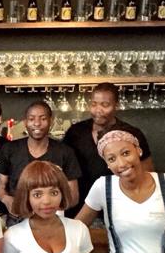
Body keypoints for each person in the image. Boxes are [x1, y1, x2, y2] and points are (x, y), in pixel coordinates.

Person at [62, 83, 152, 213]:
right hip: (80, 207)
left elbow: (147, 172)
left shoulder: (130, 133)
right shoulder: (76, 132)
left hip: (119, 207)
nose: (98, 110)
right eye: (94, 104)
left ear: (117, 106)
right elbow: (64, 168)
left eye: (105, 105)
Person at [0, 100, 82, 225]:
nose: (37, 123)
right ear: (25, 122)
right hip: (17, 218)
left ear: (51, 121)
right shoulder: (10, 149)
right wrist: (7, 199)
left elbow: (74, 196)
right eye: (31, 119)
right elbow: (1, 188)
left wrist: (50, 207)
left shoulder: (65, 152)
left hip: (52, 219)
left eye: (43, 118)